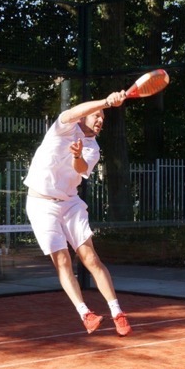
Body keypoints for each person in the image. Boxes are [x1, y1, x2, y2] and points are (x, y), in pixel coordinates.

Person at [23, 90, 132, 336]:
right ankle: (86, 314)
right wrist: (106, 102)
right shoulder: (62, 127)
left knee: (90, 258)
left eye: (103, 117)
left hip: (70, 203)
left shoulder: (93, 147)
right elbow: (74, 111)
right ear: (83, 117)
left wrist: (77, 155)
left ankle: (117, 312)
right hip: (40, 204)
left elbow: (81, 168)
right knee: (62, 260)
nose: (100, 120)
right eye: (96, 115)